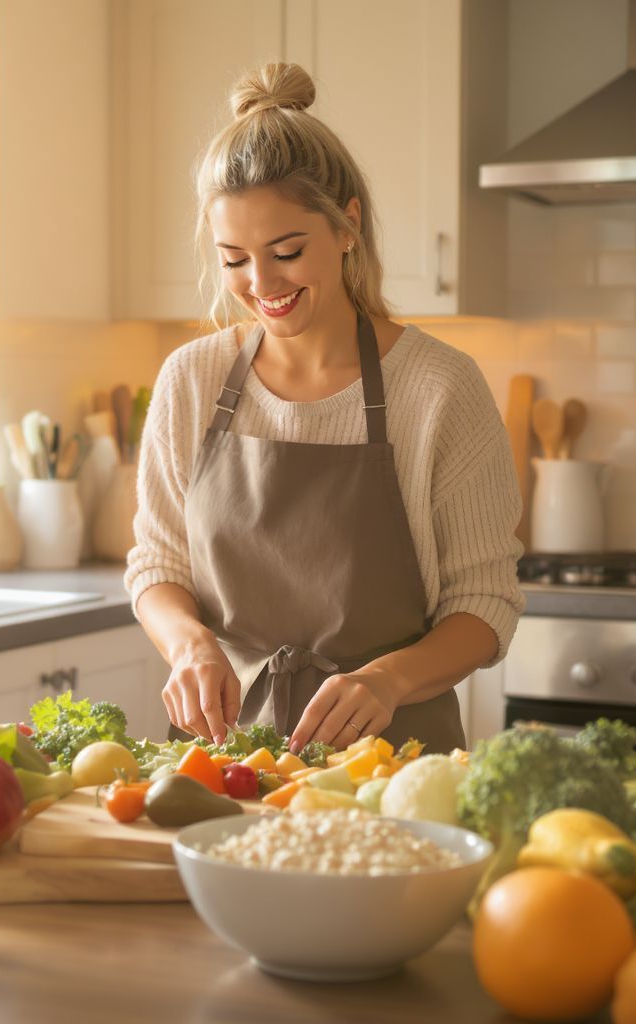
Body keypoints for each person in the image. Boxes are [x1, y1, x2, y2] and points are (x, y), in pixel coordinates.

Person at [124, 62, 524, 755]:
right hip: (224, 761)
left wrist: (391, 681)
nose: (261, 283)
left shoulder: (439, 389)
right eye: (234, 260)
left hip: (393, 764)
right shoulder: (191, 380)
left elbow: (485, 605)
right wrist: (188, 643)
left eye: (285, 251)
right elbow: (157, 566)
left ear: (348, 226)